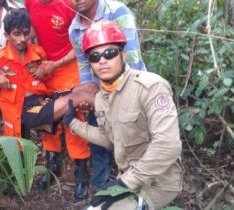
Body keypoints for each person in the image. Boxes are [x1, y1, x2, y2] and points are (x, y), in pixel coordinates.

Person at [64, 20, 183, 210]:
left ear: (123, 54)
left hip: (159, 182)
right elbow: (109, 138)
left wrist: (125, 183)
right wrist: (73, 123)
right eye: (95, 56)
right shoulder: (102, 98)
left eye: (109, 53)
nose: (102, 60)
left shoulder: (150, 87)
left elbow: (168, 145)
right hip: (127, 179)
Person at [0, 9, 97, 199]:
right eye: (16, 34)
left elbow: (45, 79)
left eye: (25, 33)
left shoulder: (37, 54)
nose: (21, 39)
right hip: (21, 111)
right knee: (61, 109)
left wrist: (46, 71)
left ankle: (78, 172)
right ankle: (75, 99)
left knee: (68, 117)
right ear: (7, 35)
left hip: (41, 102)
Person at [68, 0, 147, 191]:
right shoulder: (74, 29)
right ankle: (100, 187)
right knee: (99, 137)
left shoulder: (118, 12)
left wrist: (126, 98)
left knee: (135, 139)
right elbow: (84, 64)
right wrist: (88, 92)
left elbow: (132, 58)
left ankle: (139, 187)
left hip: (131, 90)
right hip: (99, 93)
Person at [25, 0, 90, 200]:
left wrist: (57, 63)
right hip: (44, 68)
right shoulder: (29, 2)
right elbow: (31, 32)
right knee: (46, 114)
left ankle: (81, 171)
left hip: (67, 65)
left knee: (73, 114)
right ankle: (52, 165)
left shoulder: (68, 4)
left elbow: (80, 41)